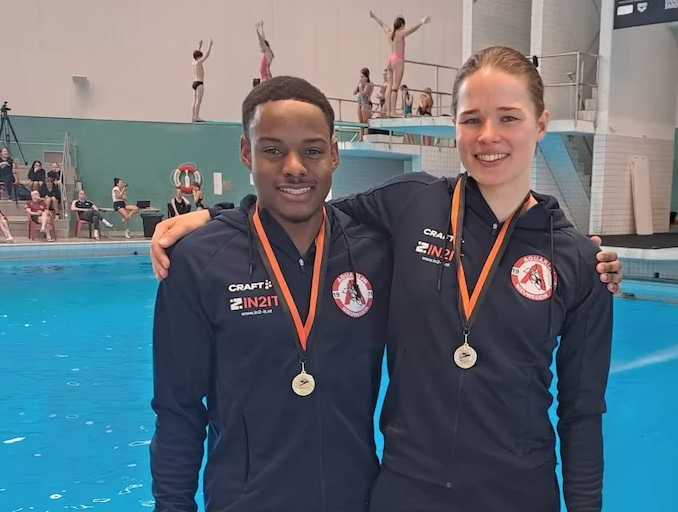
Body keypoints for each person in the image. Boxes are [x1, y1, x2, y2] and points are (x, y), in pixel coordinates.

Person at [149, 46, 623, 512]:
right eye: (472, 119)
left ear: (541, 123)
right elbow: (300, 205)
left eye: (509, 118)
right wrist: (215, 217)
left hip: (518, 494)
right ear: (454, 125)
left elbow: (582, 413)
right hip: (406, 490)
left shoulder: (580, 261)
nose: (488, 136)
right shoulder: (413, 203)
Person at [150, 76, 394, 511]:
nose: (295, 167)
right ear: (247, 152)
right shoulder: (199, 261)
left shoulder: (374, 253)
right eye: (273, 150)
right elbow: (178, 409)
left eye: (312, 151)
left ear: (334, 154)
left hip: (355, 500)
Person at [369, 12, 430, 117]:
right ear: (401, 25)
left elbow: (382, 24)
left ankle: (388, 111)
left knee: (389, 86)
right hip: (398, 59)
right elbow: (412, 29)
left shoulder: (390, 33)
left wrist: (374, 16)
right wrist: (421, 22)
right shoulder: (400, 33)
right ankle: (393, 111)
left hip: (390, 59)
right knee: (395, 87)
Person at [191, 39, 214, 122]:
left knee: (194, 101)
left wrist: (199, 46)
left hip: (194, 82)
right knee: (198, 100)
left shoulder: (193, 62)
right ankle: (196, 116)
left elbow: (195, 55)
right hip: (199, 83)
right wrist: (210, 46)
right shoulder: (198, 62)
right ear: (198, 57)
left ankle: (193, 116)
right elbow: (206, 56)